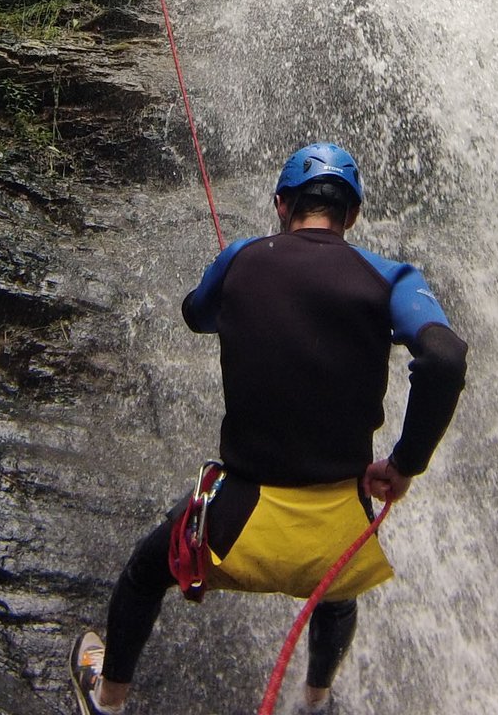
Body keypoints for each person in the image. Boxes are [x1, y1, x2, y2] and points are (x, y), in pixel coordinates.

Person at [71, 142, 470, 715]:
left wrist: (238, 277)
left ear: (280, 204)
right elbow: (446, 359)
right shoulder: (391, 278)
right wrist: (405, 465)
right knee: (337, 592)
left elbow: (195, 314)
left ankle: (108, 700)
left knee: (141, 575)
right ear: (352, 216)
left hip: (231, 528)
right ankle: (316, 701)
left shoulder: (240, 258)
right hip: (335, 526)